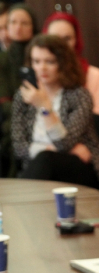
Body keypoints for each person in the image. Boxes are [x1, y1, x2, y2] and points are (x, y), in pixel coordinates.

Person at [12, 34, 99, 199]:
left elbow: (63, 143)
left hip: (82, 169)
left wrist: (45, 107)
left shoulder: (79, 95)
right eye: (36, 62)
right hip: (38, 168)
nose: (42, 68)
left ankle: (19, 204)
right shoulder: (23, 96)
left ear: (63, 63)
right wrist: (51, 149)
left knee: (46, 159)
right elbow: (18, 147)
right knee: (43, 159)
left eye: (50, 62)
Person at [44, 12, 99, 123]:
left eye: (67, 39)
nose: (62, 45)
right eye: (55, 39)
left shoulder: (94, 75)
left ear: (76, 40)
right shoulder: (40, 75)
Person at [0, 2, 37, 177]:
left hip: (40, 109)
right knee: (12, 130)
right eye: (13, 22)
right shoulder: (3, 59)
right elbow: (4, 98)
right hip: (9, 114)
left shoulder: (39, 56)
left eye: (24, 23)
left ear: (33, 27)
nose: (18, 28)